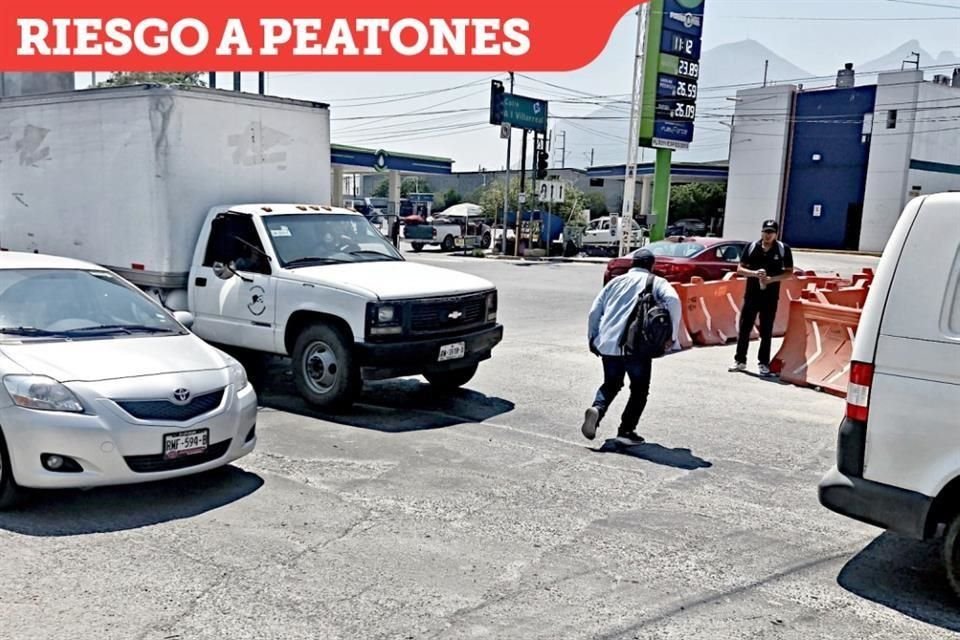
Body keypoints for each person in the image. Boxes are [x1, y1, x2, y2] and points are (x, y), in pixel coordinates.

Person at [582, 248, 682, 445]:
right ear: (651, 265)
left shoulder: (614, 282)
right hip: (637, 346)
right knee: (639, 389)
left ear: (632, 264)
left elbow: (594, 312)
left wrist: (592, 337)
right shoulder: (656, 282)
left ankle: (597, 409)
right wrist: (672, 334)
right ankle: (626, 431)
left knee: (611, 384)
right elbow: (673, 300)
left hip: (608, 344)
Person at [730, 219, 794, 376]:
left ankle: (763, 363)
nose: (767, 235)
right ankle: (740, 360)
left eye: (771, 232)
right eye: (765, 232)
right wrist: (754, 273)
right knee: (745, 327)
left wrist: (772, 279)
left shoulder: (782, 249)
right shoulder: (752, 247)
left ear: (776, 234)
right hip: (752, 294)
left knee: (766, 330)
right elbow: (740, 269)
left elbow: (789, 272)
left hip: (770, 296)